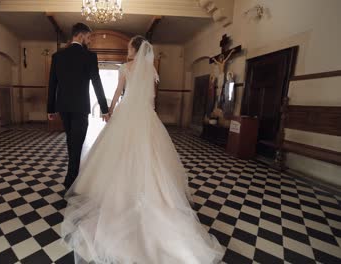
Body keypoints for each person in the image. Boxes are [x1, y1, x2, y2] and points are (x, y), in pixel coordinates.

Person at [61, 35, 225, 264]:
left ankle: (121, 197)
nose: (127, 50)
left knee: (120, 155)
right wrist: (149, 113)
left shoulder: (126, 67)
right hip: (147, 116)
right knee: (152, 157)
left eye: (129, 47)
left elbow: (119, 92)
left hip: (128, 114)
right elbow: (153, 97)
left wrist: (110, 111)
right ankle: (154, 197)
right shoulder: (151, 70)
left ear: (135, 49)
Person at [47, 23, 110, 191]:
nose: (89, 42)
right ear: (81, 36)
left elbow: (52, 84)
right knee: (76, 144)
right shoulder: (89, 57)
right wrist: (105, 109)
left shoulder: (57, 56)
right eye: (88, 38)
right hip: (81, 107)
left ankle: (72, 176)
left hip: (63, 107)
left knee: (71, 141)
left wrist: (50, 109)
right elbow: (97, 84)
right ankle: (70, 180)